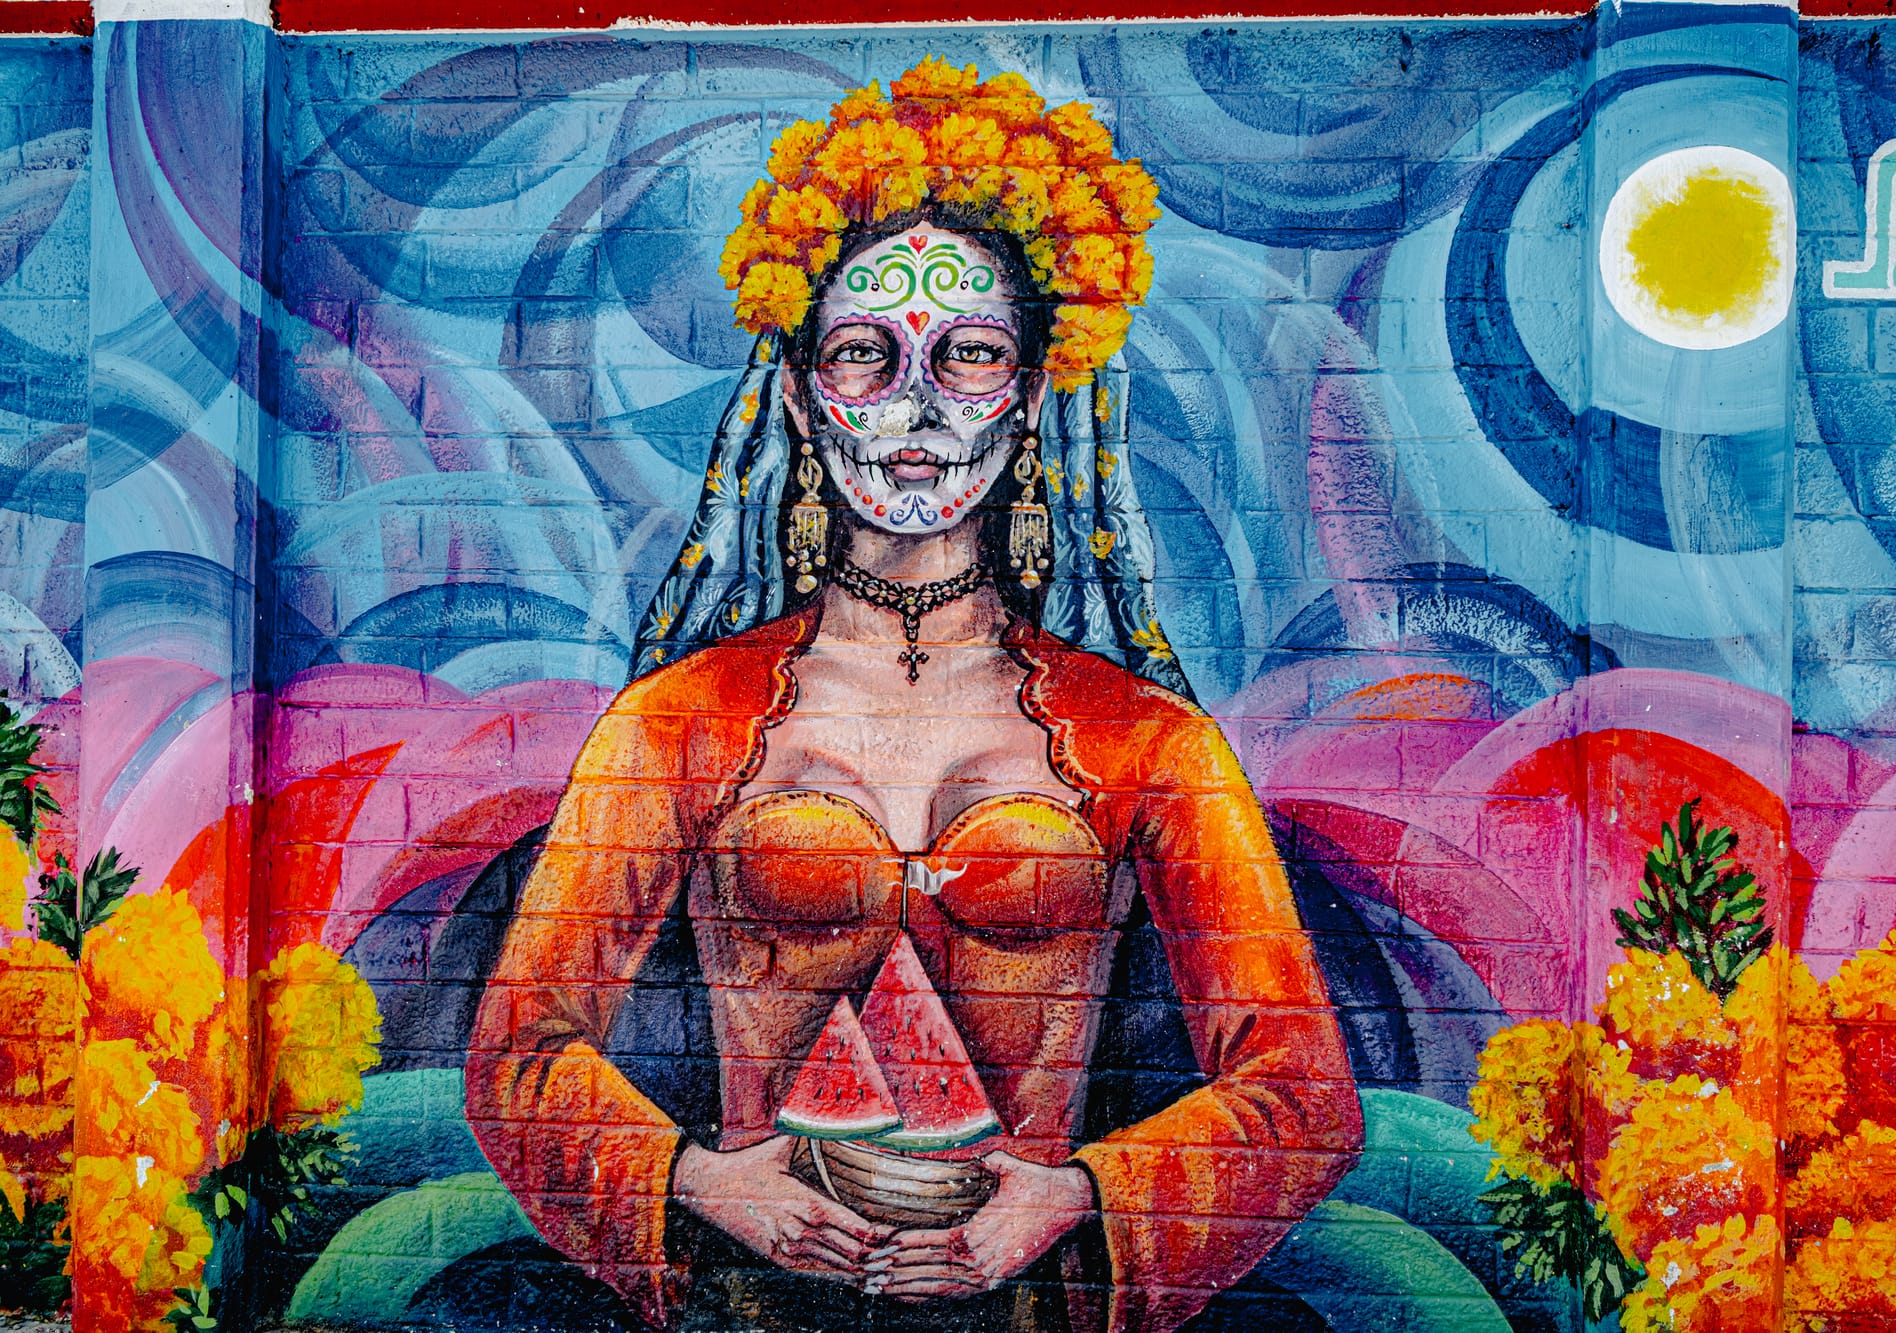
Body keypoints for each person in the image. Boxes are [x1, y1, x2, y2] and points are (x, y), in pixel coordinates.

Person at [465, 58, 1360, 1333]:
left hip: (1033, 1296)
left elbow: (1299, 1089)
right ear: (798, 393)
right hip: (750, 1291)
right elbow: (520, 1053)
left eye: (969, 355)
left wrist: (1075, 1196)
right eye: (865, 357)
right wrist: (695, 1178)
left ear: (1034, 391)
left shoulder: (1146, 743)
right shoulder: (680, 722)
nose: (918, 408)